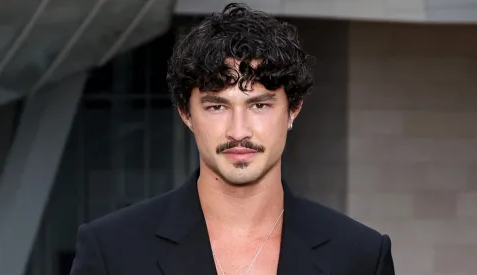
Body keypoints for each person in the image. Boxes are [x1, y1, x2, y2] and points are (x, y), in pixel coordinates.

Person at [70, 3, 395, 275]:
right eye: (216, 106)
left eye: (259, 105)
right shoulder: (112, 251)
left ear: (293, 109)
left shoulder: (360, 256)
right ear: (186, 113)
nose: (238, 131)